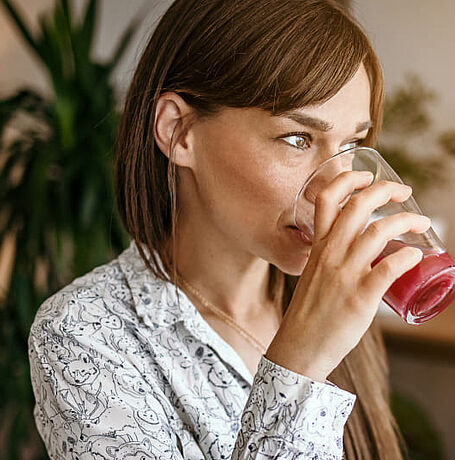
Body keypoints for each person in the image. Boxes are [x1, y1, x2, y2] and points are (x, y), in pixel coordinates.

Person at [28, 0, 430, 457]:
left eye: (352, 143)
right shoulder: (86, 336)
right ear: (179, 131)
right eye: (297, 139)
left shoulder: (333, 299)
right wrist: (299, 366)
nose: (335, 189)